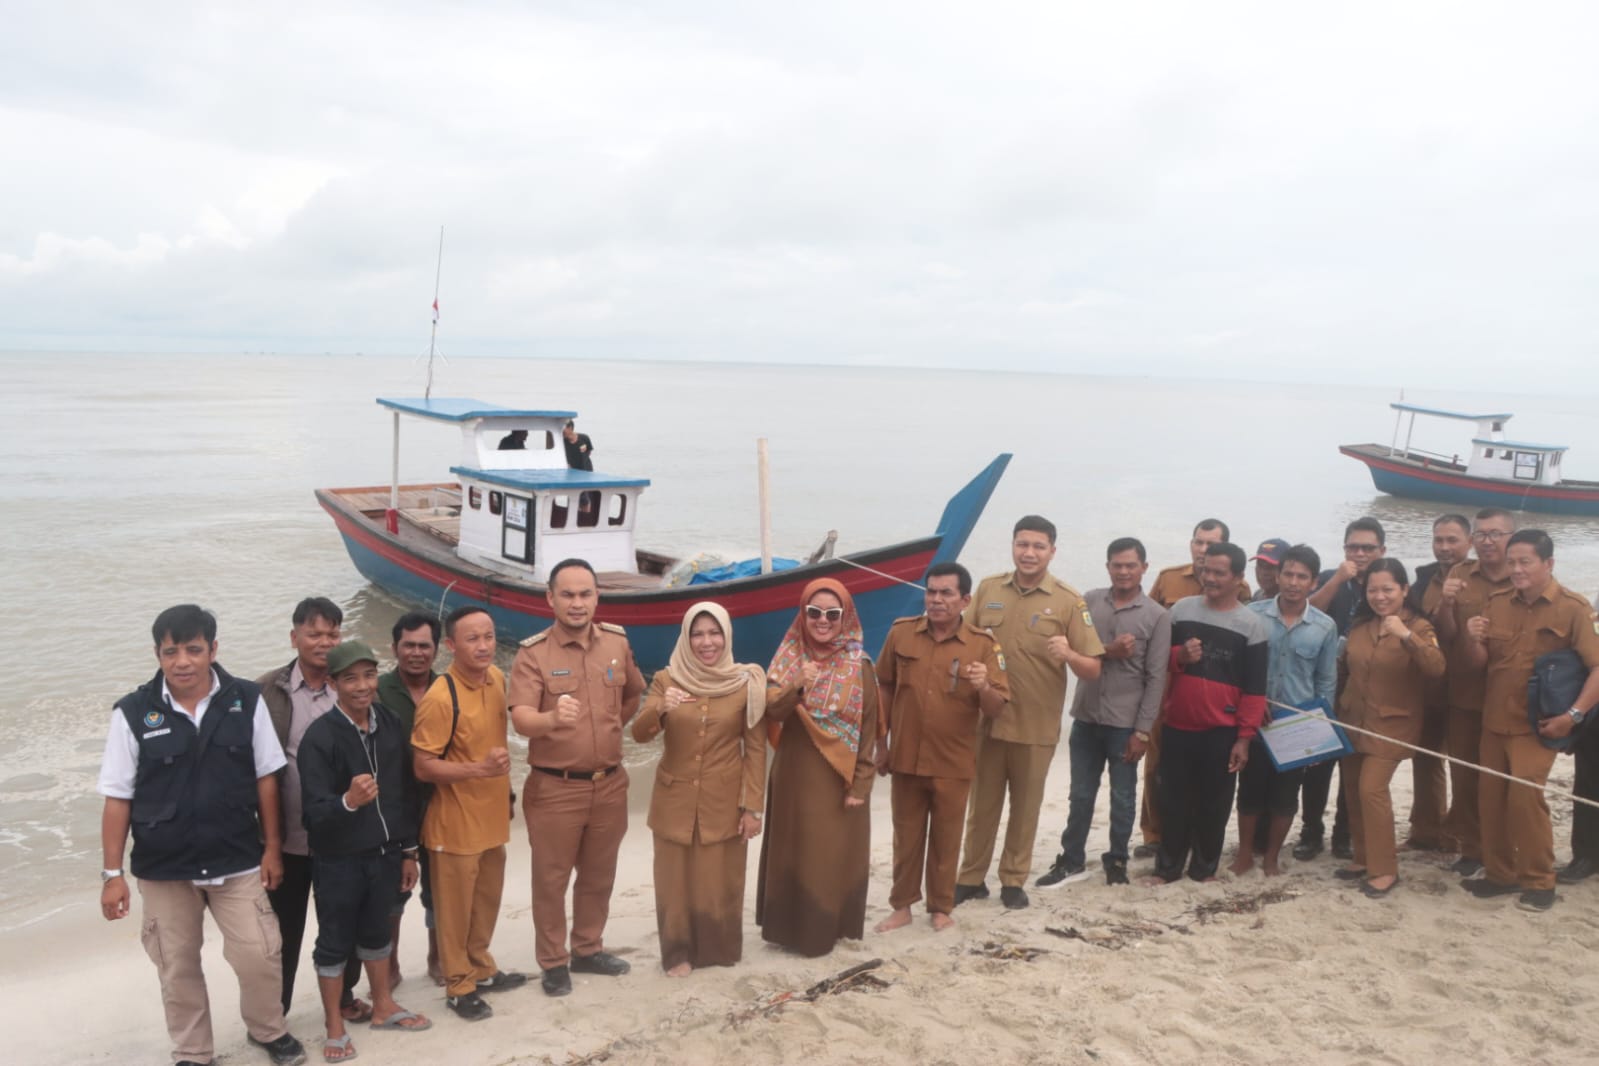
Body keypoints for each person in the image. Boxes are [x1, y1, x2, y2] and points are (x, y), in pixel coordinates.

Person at [98, 605, 307, 1066]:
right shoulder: (133, 713)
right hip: (164, 867)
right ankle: (193, 1051)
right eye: (170, 651)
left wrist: (273, 847)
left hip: (238, 858)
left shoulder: (246, 700)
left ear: (213, 649)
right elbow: (117, 797)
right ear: (157, 654)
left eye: (193, 649)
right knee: (177, 965)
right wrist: (111, 873)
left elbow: (266, 778)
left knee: (259, 954)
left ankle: (269, 1030)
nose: (182, 662)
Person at [510, 558, 647, 996]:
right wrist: (552, 718)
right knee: (551, 880)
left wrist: (607, 730)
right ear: (550, 598)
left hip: (609, 782)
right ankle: (553, 961)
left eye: (585, 593)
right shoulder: (534, 653)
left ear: (597, 597)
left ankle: (588, 948)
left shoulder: (615, 643)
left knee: (598, 874)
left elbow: (633, 693)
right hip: (555, 788)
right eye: (567, 594)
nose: (577, 603)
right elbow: (521, 719)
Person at [955, 516, 1103, 911]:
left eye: (1038, 546)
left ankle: (1012, 880)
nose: (1029, 553)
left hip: (1036, 725)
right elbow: (961, 642)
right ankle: (970, 879)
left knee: (1025, 810)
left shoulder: (1068, 600)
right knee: (981, 806)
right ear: (1013, 546)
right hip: (988, 721)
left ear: (1052, 551)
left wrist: (1068, 654)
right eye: (1023, 544)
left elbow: (1092, 668)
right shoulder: (988, 589)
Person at [298, 642, 432, 1062]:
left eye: (369, 675)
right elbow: (313, 814)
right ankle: (334, 1026)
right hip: (337, 859)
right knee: (334, 942)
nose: (362, 686)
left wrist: (409, 851)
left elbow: (404, 793)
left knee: (377, 933)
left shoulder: (389, 723)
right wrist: (349, 801)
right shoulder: (318, 738)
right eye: (350, 678)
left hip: (386, 854)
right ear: (333, 683)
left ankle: (384, 1007)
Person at [1463, 529, 1599, 912]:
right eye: (1512, 562)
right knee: (1490, 801)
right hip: (1494, 721)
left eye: (1525, 562)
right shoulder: (1497, 602)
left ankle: (1540, 880)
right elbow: (1481, 664)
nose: (1517, 570)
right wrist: (1473, 639)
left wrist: (1572, 717)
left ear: (1548, 564)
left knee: (1525, 799)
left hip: (1539, 726)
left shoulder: (1573, 608)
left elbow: (1597, 669)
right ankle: (1500, 875)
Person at [630, 603, 766, 975]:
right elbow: (639, 735)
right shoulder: (666, 679)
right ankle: (677, 954)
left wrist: (752, 807)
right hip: (673, 798)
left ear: (727, 636)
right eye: (698, 633)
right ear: (686, 638)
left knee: (719, 880)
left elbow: (755, 749)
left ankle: (717, 949)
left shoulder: (746, 682)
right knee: (673, 881)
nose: (707, 642)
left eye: (714, 633)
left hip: (724, 799)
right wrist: (659, 707)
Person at [876, 563, 1010, 933]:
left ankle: (940, 907)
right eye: (931, 591)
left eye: (946, 593)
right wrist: (880, 743)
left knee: (947, 838)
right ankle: (901, 906)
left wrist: (984, 686)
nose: (936, 600)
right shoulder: (901, 634)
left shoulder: (983, 645)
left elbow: (997, 708)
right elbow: (883, 686)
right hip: (904, 755)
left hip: (953, 760)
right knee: (906, 836)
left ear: (965, 599)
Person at [412, 605, 527, 1021]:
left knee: (487, 901)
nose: (483, 646)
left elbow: (497, 742)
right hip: (454, 822)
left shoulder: (497, 678)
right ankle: (459, 986)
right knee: (455, 910)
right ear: (451, 645)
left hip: (492, 815)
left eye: (489, 637)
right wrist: (478, 770)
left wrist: (506, 792)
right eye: (472, 639)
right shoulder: (441, 697)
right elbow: (422, 766)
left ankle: (481, 968)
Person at [757, 578, 881, 956]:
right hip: (793, 771)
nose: (822, 620)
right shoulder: (787, 657)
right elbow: (771, 711)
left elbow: (869, 730)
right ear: (803, 614)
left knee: (827, 856)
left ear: (845, 617)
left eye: (832, 613)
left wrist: (860, 785)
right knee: (792, 852)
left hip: (837, 777)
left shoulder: (859, 666)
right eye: (814, 612)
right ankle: (784, 930)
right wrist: (797, 684)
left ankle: (823, 931)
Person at [1036, 537, 1169, 888]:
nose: (1123, 571)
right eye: (1117, 565)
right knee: (1080, 793)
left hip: (1125, 723)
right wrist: (1108, 650)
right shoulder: (1088, 601)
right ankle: (1072, 858)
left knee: (1123, 796)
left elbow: (1156, 679)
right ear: (1107, 566)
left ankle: (1117, 860)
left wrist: (1142, 732)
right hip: (1086, 715)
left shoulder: (1157, 616)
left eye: (1130, 565)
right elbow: (1075, 650)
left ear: (1144, 567)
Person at [257, 597, 366, 1020]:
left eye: (333, 634)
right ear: (294, 637)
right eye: (314, 634)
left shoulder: (353, 687)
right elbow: (256, 769)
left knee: (343, 925)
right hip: (287, 841)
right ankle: (275, 1013)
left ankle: (343, 998)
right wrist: (268, 845)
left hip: (343, 837)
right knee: (281, 934)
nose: (324, 643)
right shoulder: (267, 691)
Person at [1145, 542, 1268, 885]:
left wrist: (1245, 738)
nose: (1209, 578)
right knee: (1172, 800)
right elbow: (1158, 661)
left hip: (1222, 730)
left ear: (1238, 578)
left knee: (1214, 804)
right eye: (1205, 570)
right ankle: (1167, 869)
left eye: (1219, 573)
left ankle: (1203, 870)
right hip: (1178, 725)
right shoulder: (1181, 611)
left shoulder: (1251, 625)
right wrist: (1179, 657)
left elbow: (1256, 690)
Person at [1335, 560, 1447, 897]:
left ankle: (1384, 869)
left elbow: (1437, 668)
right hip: (1352, 719)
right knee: (1353, 790)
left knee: (1372, 789)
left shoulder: (1421, 627)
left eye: (1387, 589)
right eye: (1373, 590)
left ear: (1404, 590)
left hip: (1394, 724)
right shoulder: (1359, 626)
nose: (1380, 597)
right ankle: (1362, 857)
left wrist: (1407, 636)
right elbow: (1345, 671)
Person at [1232, 544, 1338, 877]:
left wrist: (1322, 733)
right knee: (1249, 792)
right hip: (1255, 721)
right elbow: (1238, 668)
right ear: (1277, 576)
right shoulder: (1252, 614)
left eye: (1301, 576)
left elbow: (1325, 683)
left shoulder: (1324, 626)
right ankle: (1245, 854)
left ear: (1313, 582)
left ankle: (1272, 858)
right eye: (1288, 574)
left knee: (1285, 796)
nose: (1293, 582)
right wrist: (1252, 703)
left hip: (1296, 725)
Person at [1294, 517, 1387, 862]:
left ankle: (1344, 834)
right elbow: (1307, 611)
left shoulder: (1386, 583)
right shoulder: (1335, 578)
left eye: (1368, 548)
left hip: (1365, 691)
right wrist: (1338, 578)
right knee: (1317, 767)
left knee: (1354, 766)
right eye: (1353, 547)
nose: (1360, 554)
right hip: (1324, 686)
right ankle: (1311, 831)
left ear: (1382, 551)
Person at [1431, 507, 1516, 878]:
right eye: (1481, 534)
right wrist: (1447, 602)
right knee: (1465, 776)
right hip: (1464, 695)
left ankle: (1504, 849)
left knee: (1505, 779)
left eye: (1495, 533)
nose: (1487, 541)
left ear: (1512, 537)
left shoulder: (1524, 574)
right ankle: (1472, 848)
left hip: (1510, 698)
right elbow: (1445, 636)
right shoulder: (1460, 574)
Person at [375, 612, 442, 985]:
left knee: (439, 891)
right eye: (409, 645)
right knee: (392, 896)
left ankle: (437, 957)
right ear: (395, 648)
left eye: (424, 646)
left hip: (441, 802)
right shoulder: (378, 690)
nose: (416, 653)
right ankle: (391, 966)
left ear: (436, 650)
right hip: (391, 809)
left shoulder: (449, 688)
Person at [1404, 514, 1472, 852]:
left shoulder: (1481, 579)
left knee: (1464, 763)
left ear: (1469, 543)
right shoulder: (1423, 580)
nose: (1444, 547)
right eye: (1438, 540)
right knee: (1425, 757)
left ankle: (1459, 834)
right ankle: (1425, 832)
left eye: (1452, 540)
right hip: (1428, 685)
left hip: (1468, 686)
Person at [1251, 538, 1290, 602]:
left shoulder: (1293, 602)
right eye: (1260, 565)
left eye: (1270, 567)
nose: (1263, 573)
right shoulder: (1258, 595)